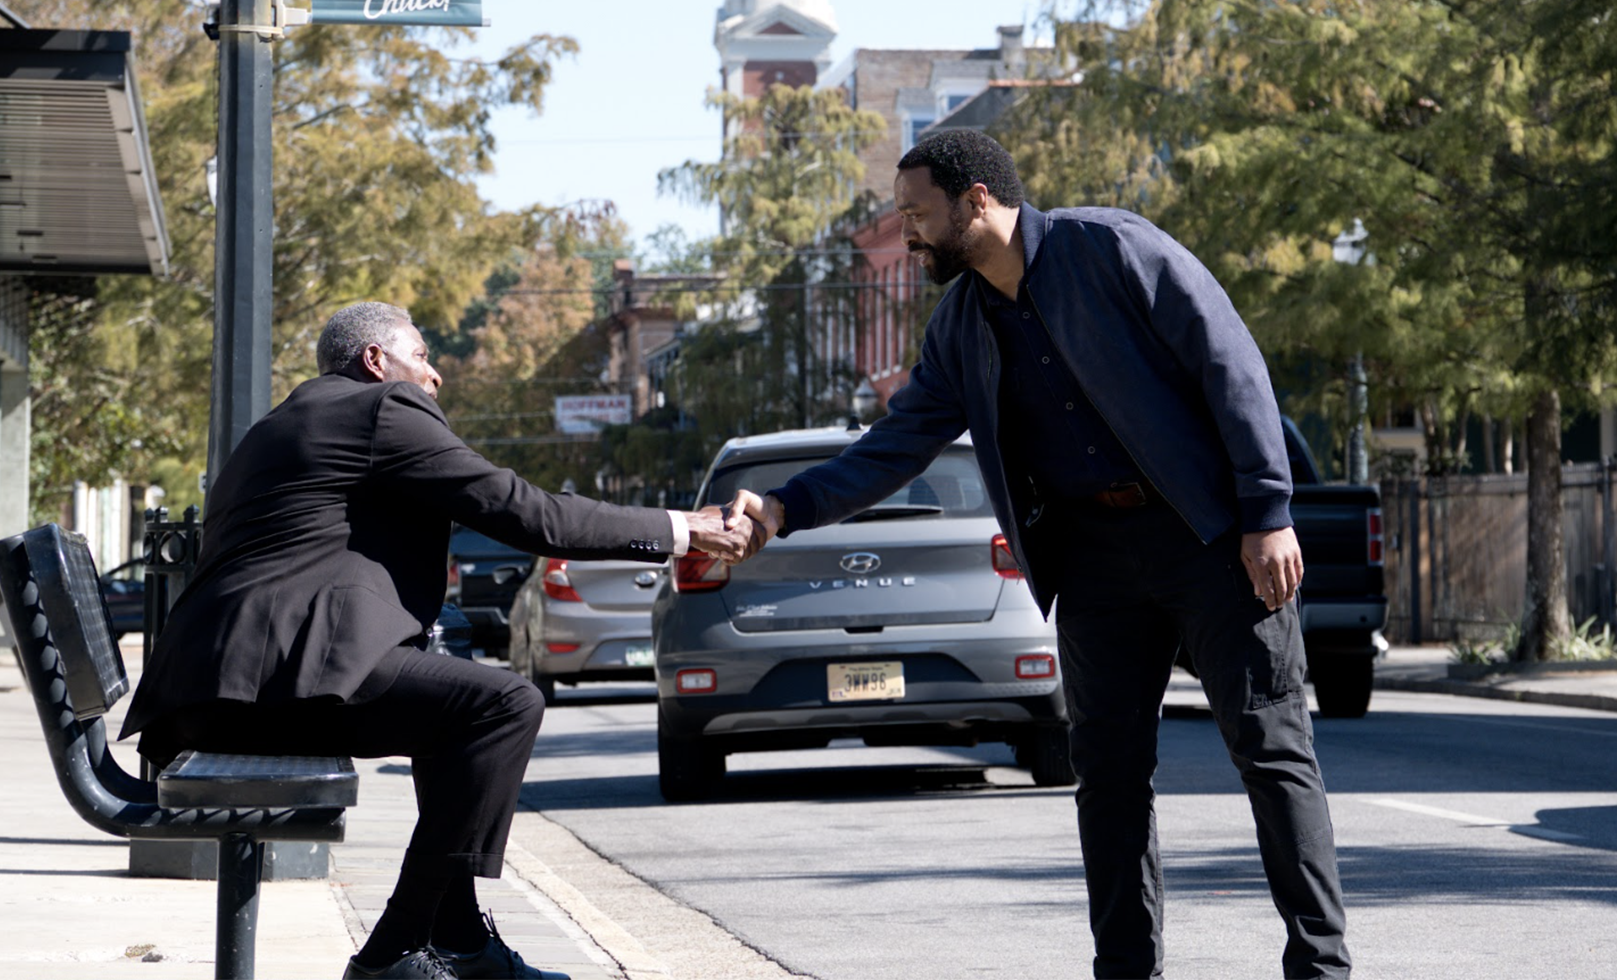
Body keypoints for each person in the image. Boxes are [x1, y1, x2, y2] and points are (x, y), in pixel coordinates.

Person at [726, 130, 1351, 980]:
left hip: (1208, 539)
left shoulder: (1114, 248)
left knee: (1271, 752)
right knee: (1108, 775)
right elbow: (894, 444)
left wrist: (1266, 511)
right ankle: (1125, 970)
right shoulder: (959, 325)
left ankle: (1320, 967)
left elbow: (1229, 362)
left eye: (916, 213)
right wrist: (781, 506)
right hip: (1093, 561)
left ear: (976, 198)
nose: (906, 233)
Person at [121, 302, 750, 980]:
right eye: (421, 355)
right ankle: (390, 951)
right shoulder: (381, 409)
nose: (435, 374)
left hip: (217, 687)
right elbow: (522, 510)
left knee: (449, 704)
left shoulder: (294, 416)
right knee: (504, 704)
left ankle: (461, 941)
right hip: (264, 689)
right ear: (375, 362)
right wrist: (682, 528)